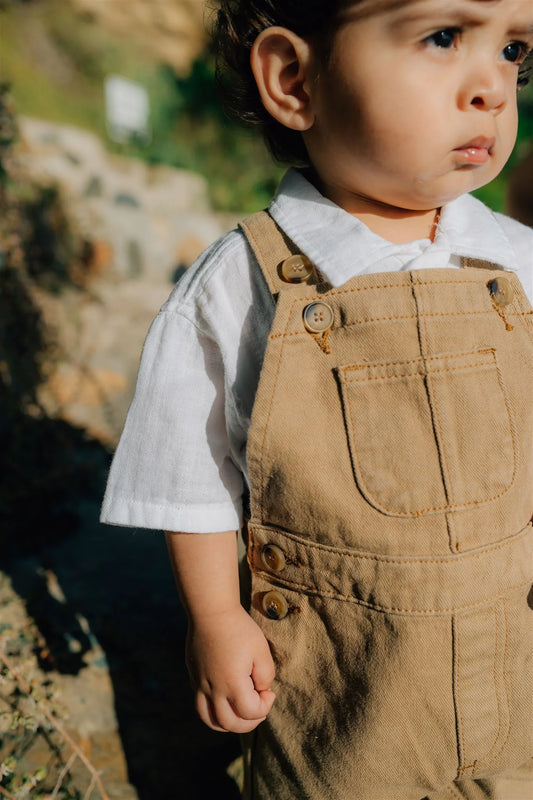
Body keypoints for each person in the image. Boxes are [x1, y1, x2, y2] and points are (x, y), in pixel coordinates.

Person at [101, 0, 533, 797]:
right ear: (294, 81)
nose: (492, 87)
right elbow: (189, 477)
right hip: (341, 672)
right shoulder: (240, 283)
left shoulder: (516, 261)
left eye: (513, 50)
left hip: (515, 656)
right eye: (443, 37)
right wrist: (217, 618)